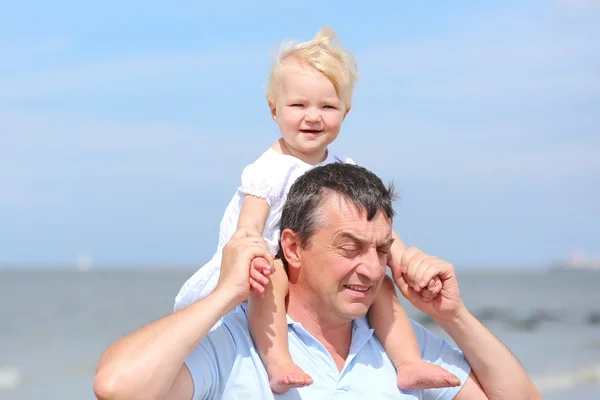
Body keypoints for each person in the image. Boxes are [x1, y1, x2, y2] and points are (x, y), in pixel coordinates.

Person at [94, 162, 541, 400]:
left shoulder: (404, 348)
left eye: (382, 250)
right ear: (292, 248)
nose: (370, 269)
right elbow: (118, 389)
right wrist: (226, 292)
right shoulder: (237, 343)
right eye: (348, 248)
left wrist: (454, 316)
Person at [172, 26, 459, 393]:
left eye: (327, 106)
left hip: (313, 266)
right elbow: (248, 231)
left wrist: (406, 264)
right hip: (267, 262)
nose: (313, 116)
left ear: (346, 111)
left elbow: (373, 230)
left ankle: (409, 363)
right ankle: (278, 361)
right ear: (274, 110)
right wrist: (254, 260)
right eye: (298, 106)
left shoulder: (344, 167)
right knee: (272, 277)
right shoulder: (267, 170)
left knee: (382, 284)